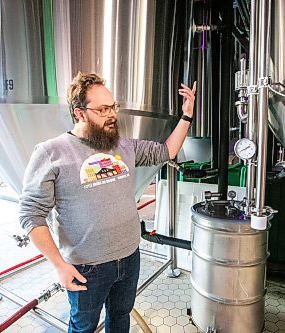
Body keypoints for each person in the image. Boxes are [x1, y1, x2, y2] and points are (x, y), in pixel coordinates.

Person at [18, 72, 196, 333]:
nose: (112, 114)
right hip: (86, 267)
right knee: (84, 327)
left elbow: (166, 151)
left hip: (129, 257)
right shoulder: (50, 152)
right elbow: (31, 214)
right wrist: (59, 265)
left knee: (120, 316)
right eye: (102, 109)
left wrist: (187, 115)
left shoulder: (124, 146)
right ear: (79, 113)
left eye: (113, 107)